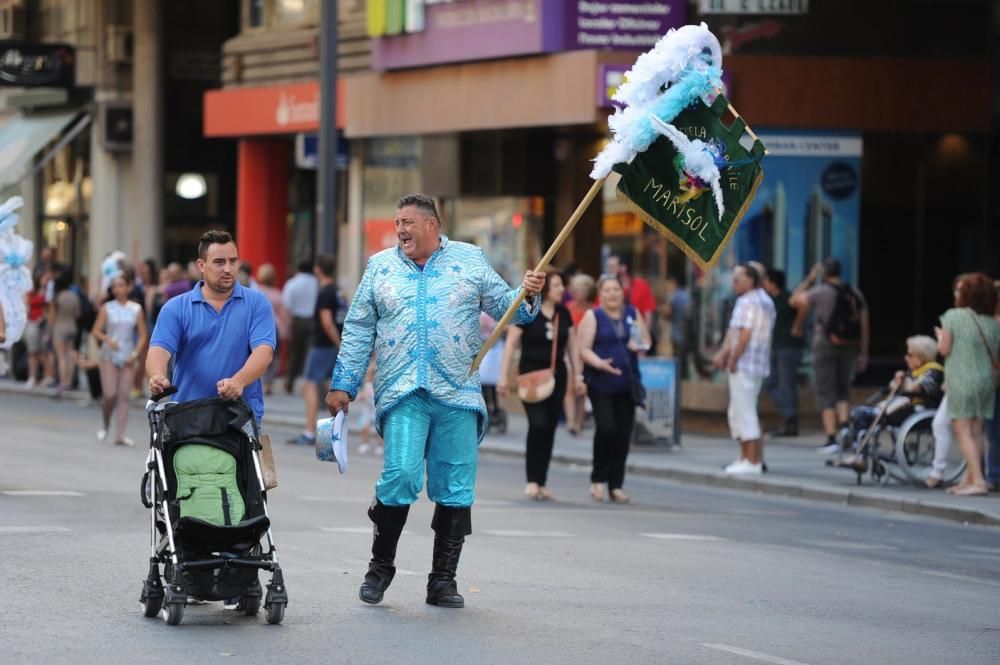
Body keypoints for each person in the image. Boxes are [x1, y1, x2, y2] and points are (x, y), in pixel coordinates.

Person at [325, 193, 544, 609]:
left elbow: (510, 310)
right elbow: (357, 329)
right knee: (402, 476)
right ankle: (380, 567)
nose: (400, 229)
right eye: (397, 222)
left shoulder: (470, 260)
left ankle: (443, 580)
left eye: (408, 221)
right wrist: (344, 384)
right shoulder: (380, 267)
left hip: (458, 391)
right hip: (404, 390)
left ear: (432, 225)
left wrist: (528, 293)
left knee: (455, 487)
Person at [146, 230, 276, 427]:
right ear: (201, 265)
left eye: (233, 261)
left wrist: (238, 382)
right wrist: (157, 375)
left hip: (240, 416)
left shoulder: (257, 303)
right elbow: (159, 349)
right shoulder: (176, 307)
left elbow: (264, 352)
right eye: (219, 262)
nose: (228, 269)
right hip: (188, 414)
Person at [498, 271, 584, 501]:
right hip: (531, 379)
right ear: (546, 288)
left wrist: (578, 377)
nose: (561, 290)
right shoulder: (528, 311)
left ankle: (541, 481)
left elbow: (573, 348)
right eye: (557, 286)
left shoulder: (564, 314)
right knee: (537, 425)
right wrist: (503, 377)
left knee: (548, 430)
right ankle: (531, 480)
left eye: (561, 285)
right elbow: (510, 344)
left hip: (558, 378)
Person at [578, 274, 650, 503]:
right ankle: (598, 479)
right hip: (601, 383)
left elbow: (646, 341)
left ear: (622, 292)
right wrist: (599, 363)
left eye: (616, 289)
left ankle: (616, 485)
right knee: (607, 429)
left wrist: (638, 343)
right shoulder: (593, 316)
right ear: (600, 294)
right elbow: (583, 348)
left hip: (627, 383)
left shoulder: (632, 313)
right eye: (607, 290)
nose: (612, 294)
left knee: (623, 434)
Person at [790, 257, 870, 454]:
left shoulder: (821, 291)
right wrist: (864, 352)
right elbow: (865, 324)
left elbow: (794, 300)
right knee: (843, 389)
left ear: (824, 273)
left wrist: (810, 278)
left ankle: (832, 437)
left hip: (825, 345)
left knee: (826, 391)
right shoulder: (854, 292)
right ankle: (845, 433)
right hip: (850, 346)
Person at [933, 273, 1000, 496]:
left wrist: (940, 336)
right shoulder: (992, 322)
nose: (955, 293)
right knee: (977, 431)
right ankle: (970, 479)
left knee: (962, 431)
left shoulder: (954, 316)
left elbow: (944, 350)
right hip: (986, 381)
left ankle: (978, 481)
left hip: (961, 377)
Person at [714, 263, 776, 475]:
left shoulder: (746, 301)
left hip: (745, 363)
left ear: (751, 280)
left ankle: (751, 461)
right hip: (758, 364)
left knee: (744, 412)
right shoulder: (766, 300)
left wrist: (733, 358)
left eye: (738, 279)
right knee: (743, 410)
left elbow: (743, 334)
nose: (734, 283)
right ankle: (747, 458)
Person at [288, 254, 345, 445]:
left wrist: (338, 344)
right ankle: (335, 433)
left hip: (323, 344)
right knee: (330, 387)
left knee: (310, 384)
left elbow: (327, 323)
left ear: (318, 269)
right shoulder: (338, 291)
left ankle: (310, 431)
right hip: (334, 346)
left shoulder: (325, 293)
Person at [91, 273, 147, 446]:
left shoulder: (136, 309)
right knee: (110, 394)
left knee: (124, 396)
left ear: (129, 287)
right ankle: (106, 423)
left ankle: (120, 435)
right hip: (109, 354)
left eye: (122, 285)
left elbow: (143, 335)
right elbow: (96, 331)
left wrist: (136, 354)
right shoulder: (107, 308)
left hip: (128, 354)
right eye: (115, 286)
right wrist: (108, 339)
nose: (118, 289)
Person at [762, 269, 806, 436]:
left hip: (788, 346)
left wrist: (796, 325)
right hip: (774, 346)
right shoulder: (769, 300)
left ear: (773, 283)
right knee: (771, 383)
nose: (764, 284)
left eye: (766, 281)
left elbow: (804, 306)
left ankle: (790, 421)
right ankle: (789, 414)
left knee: (786, 383)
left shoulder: (788, 297)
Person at [565, 273, 596, 435]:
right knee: (570, 386)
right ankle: (571, 422)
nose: (578, 293)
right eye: (575, 289)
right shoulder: (568, 308)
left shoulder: (593, 309)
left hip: (587, 351)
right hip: (570, 351)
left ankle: (580, 422)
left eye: (582, 290)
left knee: (582, 388)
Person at [281, 259, 318, 394]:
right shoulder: (316, 283)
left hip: (297, 320)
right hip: (313, 320)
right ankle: (309, 383)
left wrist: (287, 324)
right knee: (310, 352)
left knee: (294, 352)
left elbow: (287, 305)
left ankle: (289, 382)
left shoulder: (293, 283)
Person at [255, 263, 288, 396]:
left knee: (257, 355)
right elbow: (283, 314)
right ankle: (267, 384)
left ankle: (258, 381)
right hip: (275, 327)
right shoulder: (277, 294)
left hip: (259, 326)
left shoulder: (255, 291)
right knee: (274, 357)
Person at [606, 255, 655, 337]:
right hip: (612, 334)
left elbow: (648, 313)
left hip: (637, 332)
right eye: (609, 267)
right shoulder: (606, 287)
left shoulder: (641, 285)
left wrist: (645, 335)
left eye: (612, 267)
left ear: (623, 267)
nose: (609, 270)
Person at [48, 271, 80, 395]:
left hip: (59, 327)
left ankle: (63, 382)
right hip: (72, 326)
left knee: (61, 357)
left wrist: (50, 330)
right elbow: (78, 314)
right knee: (70, 355)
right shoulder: (74, 296)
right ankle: (69, 381)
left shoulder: (57, 297)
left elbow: (52, 316)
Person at [23, 274, 53, 387]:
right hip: (33, 321)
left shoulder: (49, 291)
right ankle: (32, 376)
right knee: (32, 351)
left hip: (44, 323)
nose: (46, 280)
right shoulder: (32, 291)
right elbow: (28, 304)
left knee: (44, 352)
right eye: (44, 277)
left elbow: (50, 307)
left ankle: (48, 375)